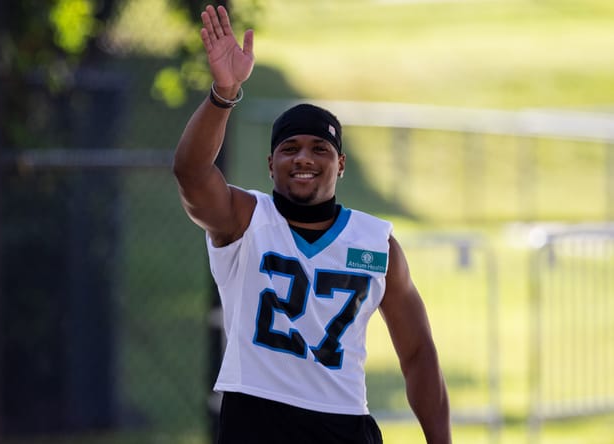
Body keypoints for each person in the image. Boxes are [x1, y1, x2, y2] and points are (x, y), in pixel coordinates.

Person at [173, 5, 452, 444]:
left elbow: (417, 353)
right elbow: (191, 173)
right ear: (271, 164)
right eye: (290, 148)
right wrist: (224, 93)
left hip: (343, 424)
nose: (304, 157)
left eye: (320, 148)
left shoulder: (376, 243)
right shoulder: (246, 221)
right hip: (256, 421)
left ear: (340, 164)